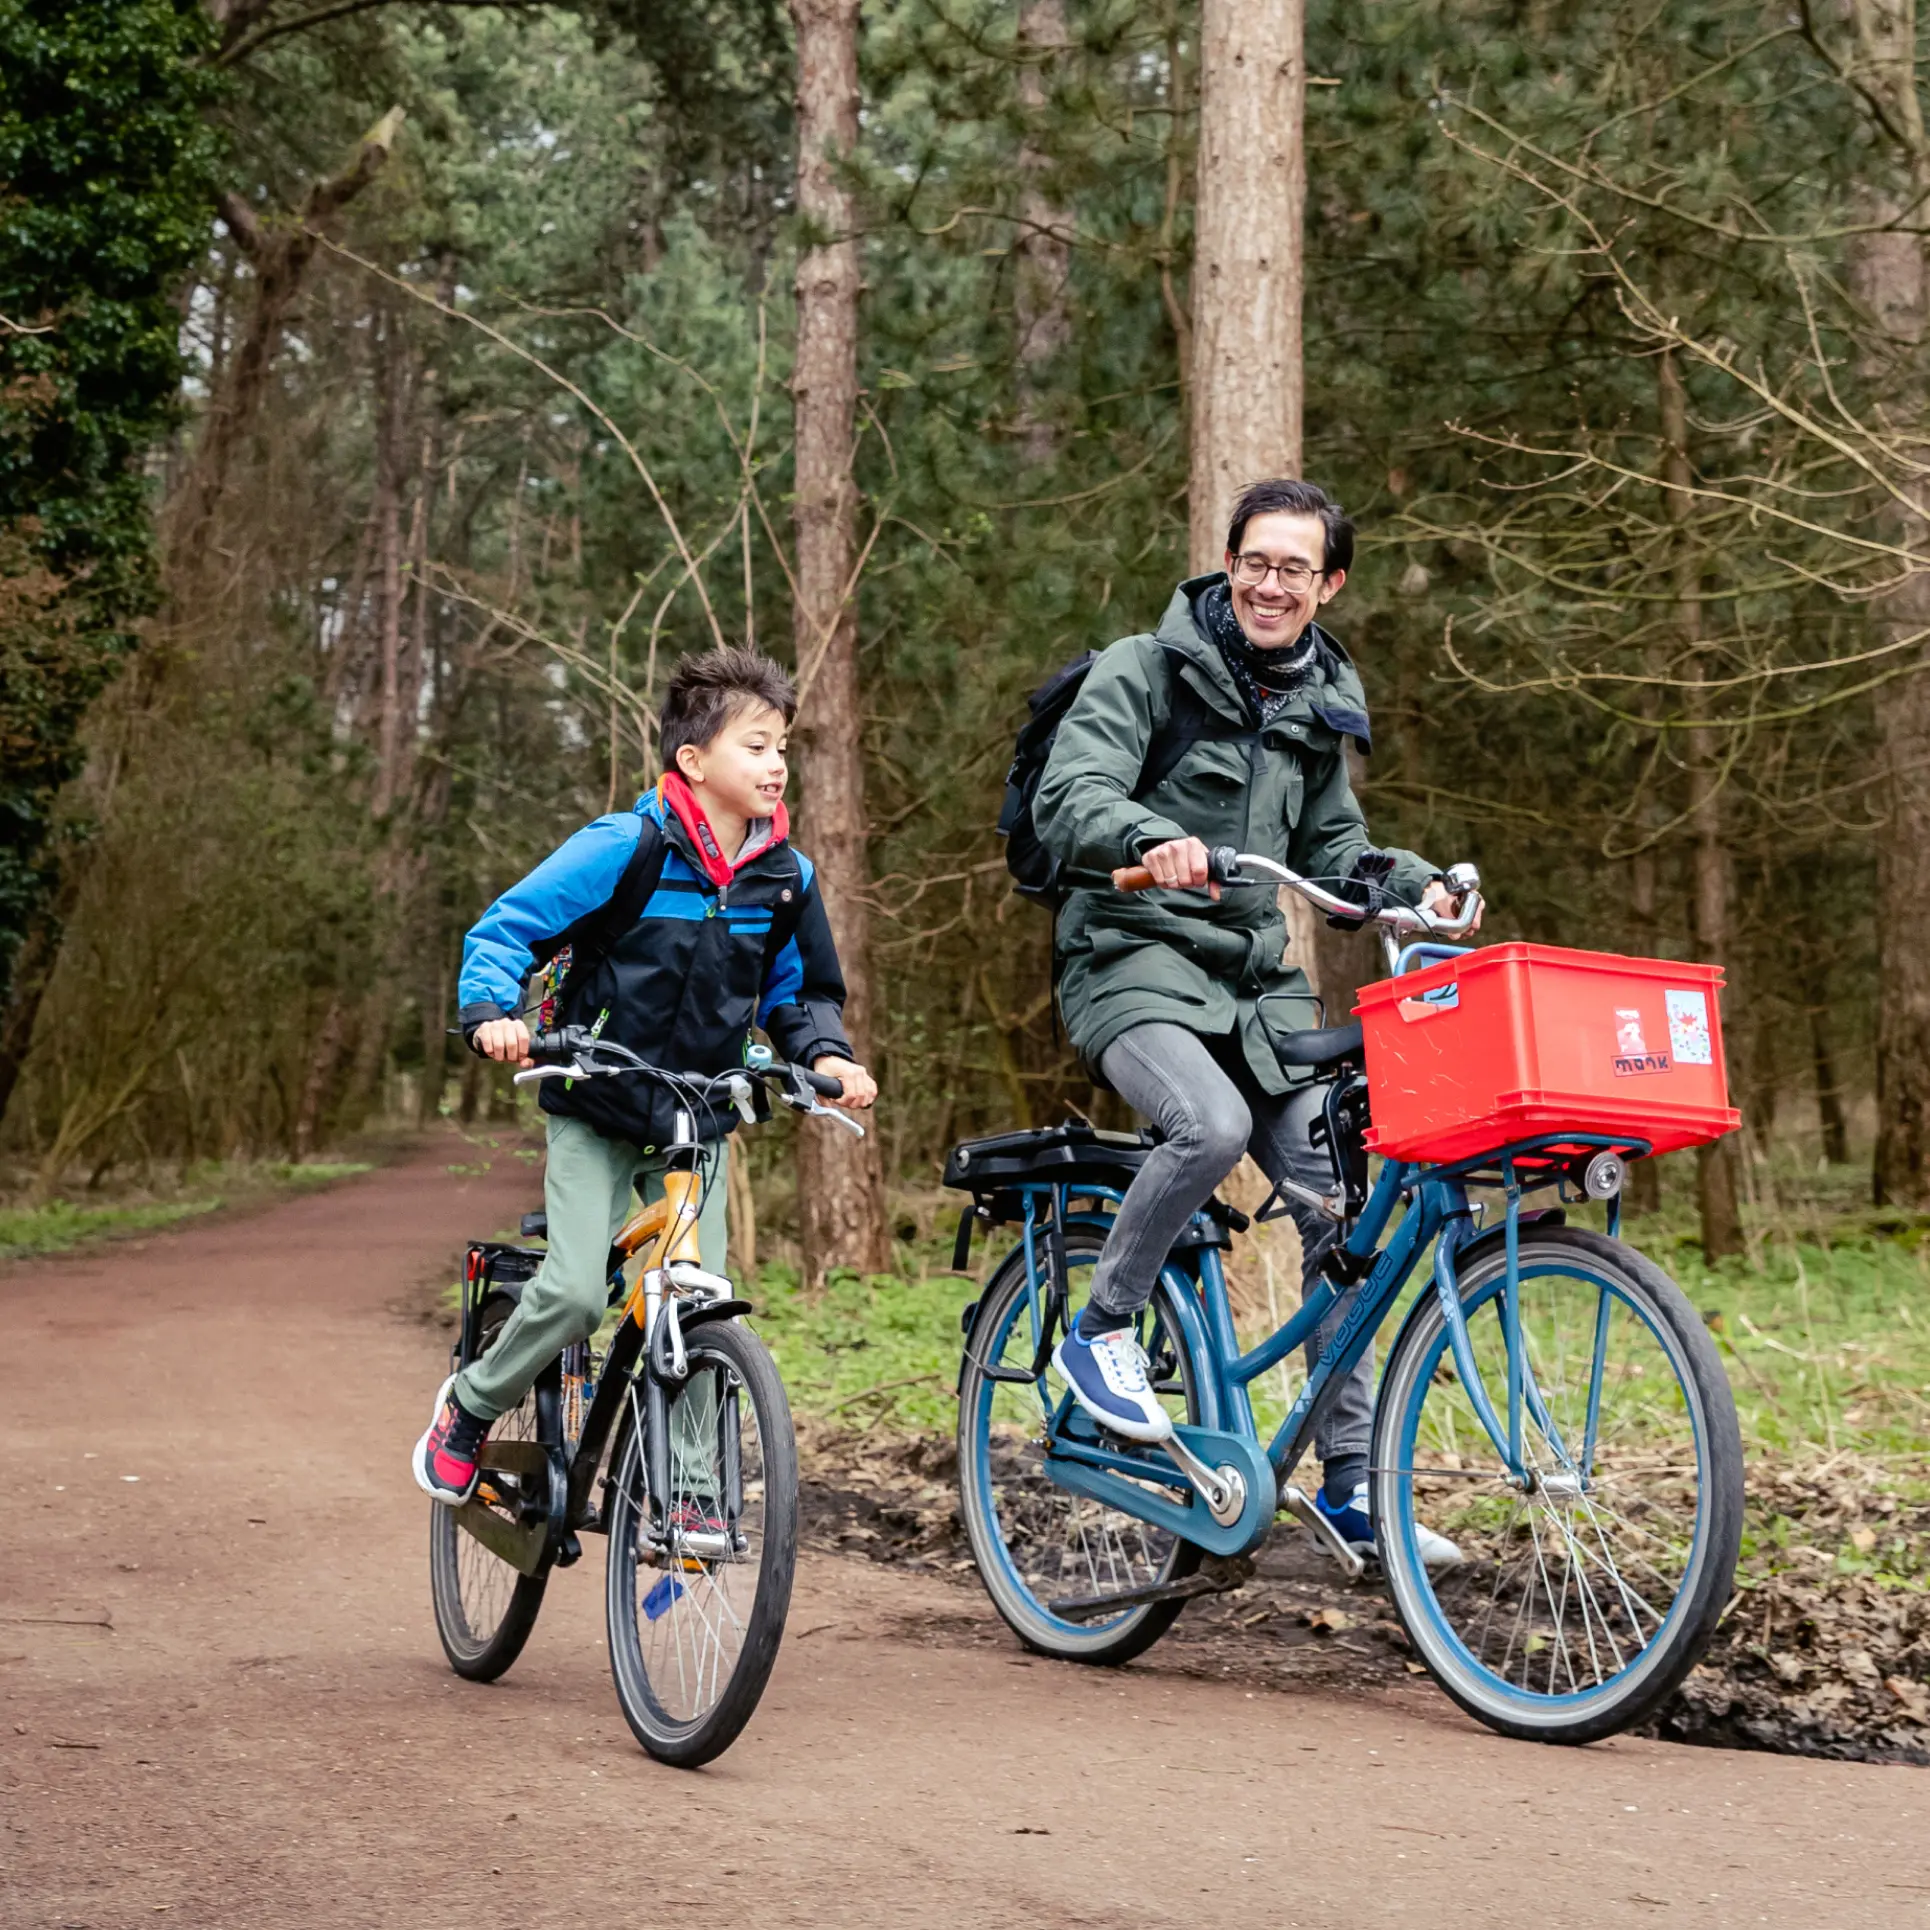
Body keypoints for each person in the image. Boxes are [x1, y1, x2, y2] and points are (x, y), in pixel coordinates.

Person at [1033, 478, 1473, 1567]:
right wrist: (1150, 834)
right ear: (1228, 564)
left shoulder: (1320, 701)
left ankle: (1354, 1488)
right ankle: (1100, 1333)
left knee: (1341, 1216)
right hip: (1129, 959)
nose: (1271, 584)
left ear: (1328, 585)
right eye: (1255, 562)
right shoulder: (1144, 668)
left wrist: (1418, 886)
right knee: (1210, 1126)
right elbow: (1069, 796)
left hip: (1255, 984)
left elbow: (1334, 849)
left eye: (1295, 568)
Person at [414, 646, 877, 1504]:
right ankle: (470, 1410)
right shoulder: (626, 847)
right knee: (574, 1296)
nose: (777, 764)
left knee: (700, 1302)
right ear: (693, 761)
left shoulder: (787, 880)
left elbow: (801, 989)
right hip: (598, 1100)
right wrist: (492, 1015)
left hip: (697, 1119)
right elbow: (508, 927)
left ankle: (692, 1492)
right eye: (756, 745)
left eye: (783, 746)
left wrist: (827, 1055)